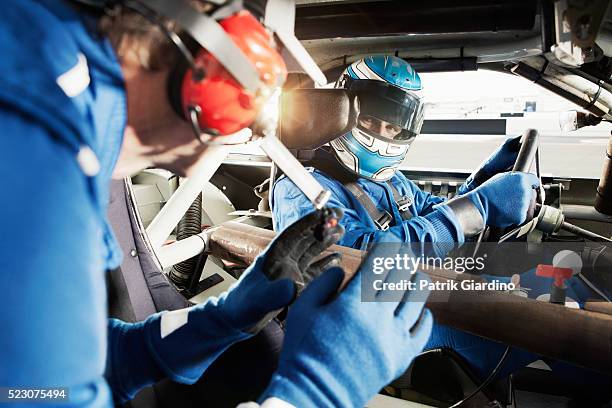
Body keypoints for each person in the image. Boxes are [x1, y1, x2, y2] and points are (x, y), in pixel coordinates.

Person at [0, 3, 432, 408]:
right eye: (230, 118)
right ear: (201, 65)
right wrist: (317, 391)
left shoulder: (63, 114)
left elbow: (80, 360)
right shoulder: (34, 153)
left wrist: (220, 320)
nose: (204, 156)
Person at [271, 55, 542, 382]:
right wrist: (478, 207)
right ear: (339, 114)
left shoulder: (391, 181)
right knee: (548, 321)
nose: (384, 134)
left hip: (406, 302)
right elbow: (359, 265)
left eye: (394, 126)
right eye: (372, 121)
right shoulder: (300, 188)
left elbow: (433, 213)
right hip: (352, 331)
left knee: (549, 289)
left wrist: (482, 182)